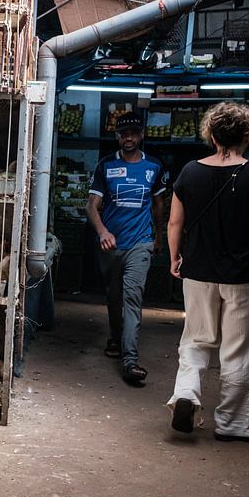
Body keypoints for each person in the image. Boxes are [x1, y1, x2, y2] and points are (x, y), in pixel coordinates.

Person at [166, 102, 249, 441]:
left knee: (196, 339)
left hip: (198, 271)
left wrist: (174, 257)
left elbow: (174, 222)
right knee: (238, 348)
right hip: (246, 277)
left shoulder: (189, 173)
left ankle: (186, 393)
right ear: (248, 135)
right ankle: (233, 424)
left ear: (210, 134)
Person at [85, 111, 166, 385]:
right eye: (123, 133)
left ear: (141, 135)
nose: (128, 137)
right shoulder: (105, 166)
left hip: (140, 243)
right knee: (113, 296)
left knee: (132, 298)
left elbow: (158, 205)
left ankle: (130, 360)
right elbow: (91, 206)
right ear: (117, 136)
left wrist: (159, 237)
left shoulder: (154, 166)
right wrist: (103, 231)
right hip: (111, 246)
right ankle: (115, 337)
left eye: (133, 133)